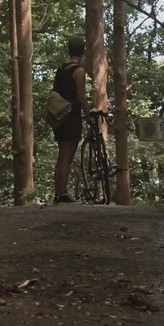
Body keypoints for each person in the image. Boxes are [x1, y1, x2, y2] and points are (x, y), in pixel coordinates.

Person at [52, 36, 91, 203]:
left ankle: (59, 192)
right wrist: (89, 115)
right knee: (67, 155)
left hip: (58, 116)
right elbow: (81, 97)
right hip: (71, 117)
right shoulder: (79, 71)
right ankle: (63, 194)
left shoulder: (61, 69)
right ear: (82, 51)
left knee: (62, 155)